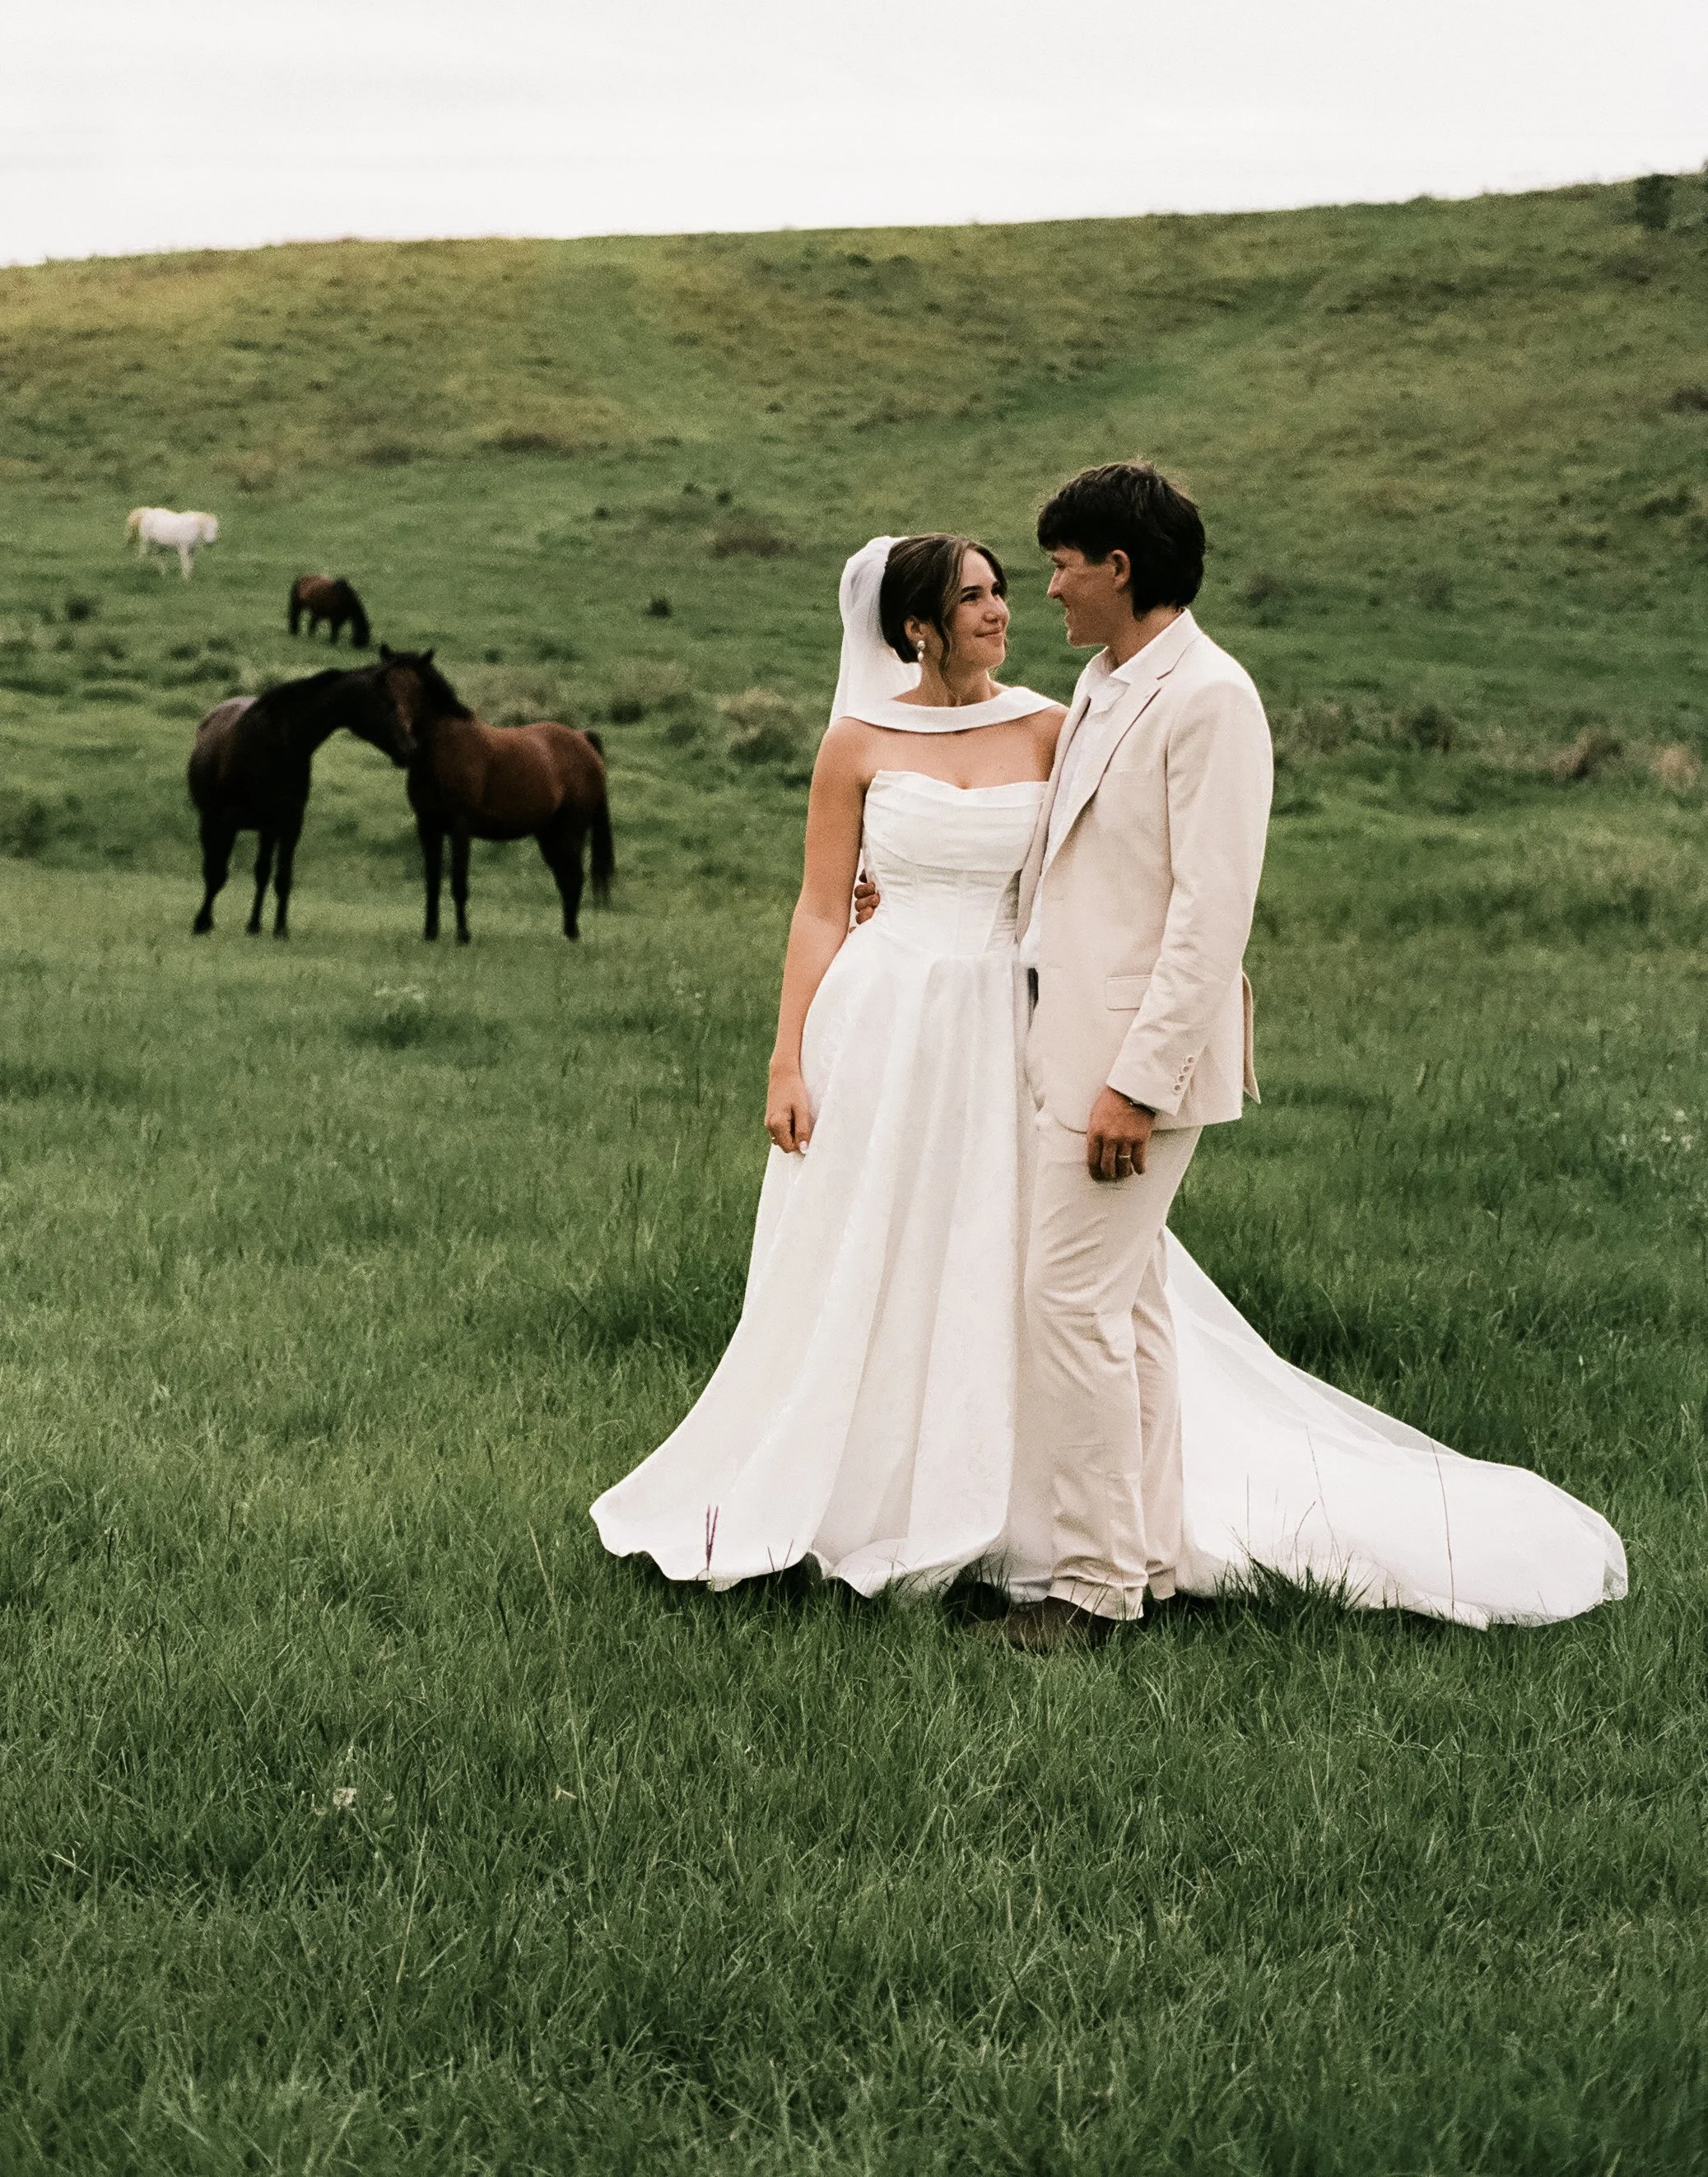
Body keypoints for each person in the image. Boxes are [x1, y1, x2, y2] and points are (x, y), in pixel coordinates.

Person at [591, 469, 1627, 1642]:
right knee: (1090, 1301)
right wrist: (810, 1026)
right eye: (981, 591)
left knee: (1068, 1298)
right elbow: (852, 900)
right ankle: (1099, 1542)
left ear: (1116, 567)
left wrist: (1131, 1078)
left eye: (1045, 569)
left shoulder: (1171, 700)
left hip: (1068, 1043)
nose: (1025, 597)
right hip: (932, 1030)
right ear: (917, 625)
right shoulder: (1086, 691)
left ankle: (1091, 1586)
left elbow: (1202, 910)